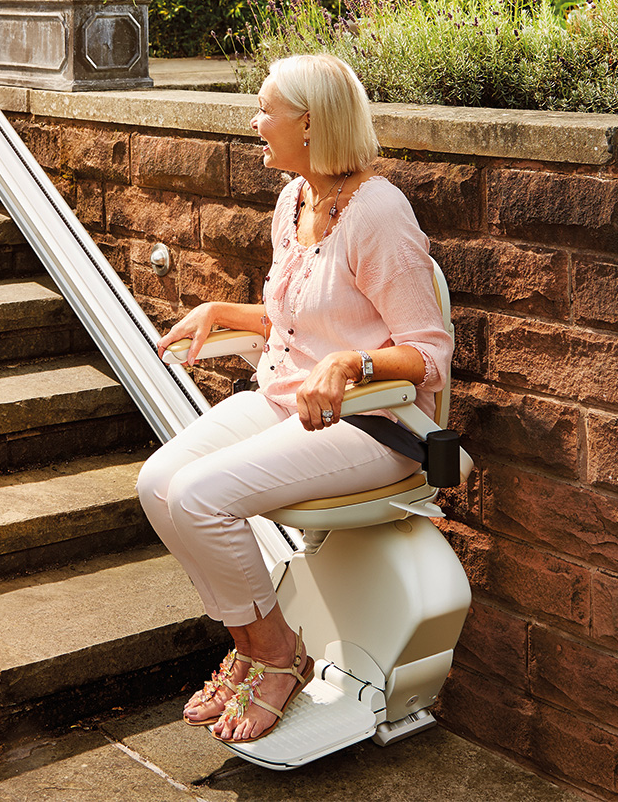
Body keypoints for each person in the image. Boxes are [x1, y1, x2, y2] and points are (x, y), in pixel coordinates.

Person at [135, 54, 453, 744]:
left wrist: (349, 363)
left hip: (375, 424)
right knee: (158, 483)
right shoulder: (295, 199)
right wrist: (223, 309)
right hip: (288, 402)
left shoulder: (378, 213)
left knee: (199, 497)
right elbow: (298, 319)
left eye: (264, 109)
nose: (255, 121)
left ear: (308, 124)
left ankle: (276, 658)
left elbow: (428, 352)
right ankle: (258, 647)